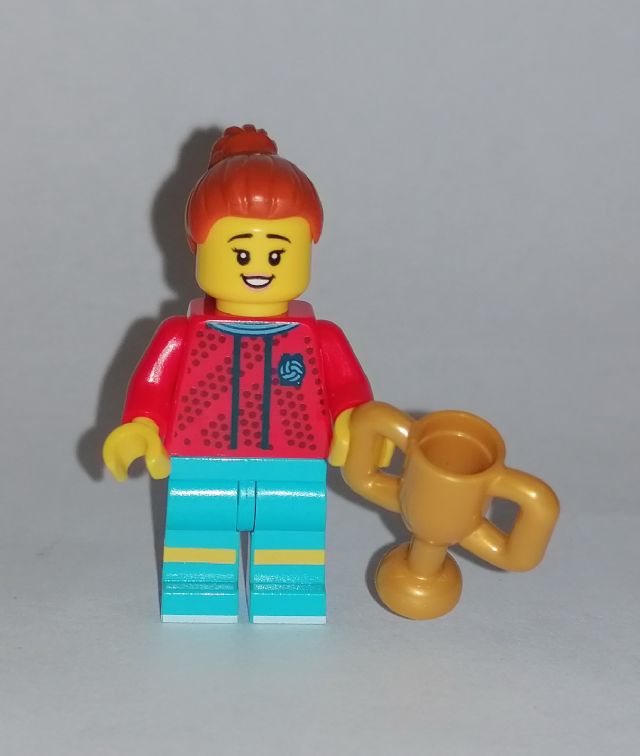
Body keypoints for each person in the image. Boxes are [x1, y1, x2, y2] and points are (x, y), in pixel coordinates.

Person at [103, 125, 381, 624]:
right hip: (200, 463)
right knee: (198, 549)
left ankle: (287, 599)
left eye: (277, 253)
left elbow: (348, 391)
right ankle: (199, 596)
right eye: (240, 252)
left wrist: (354, 425)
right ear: (198, 248)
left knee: (291, 554)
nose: (259, 267)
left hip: (294, 465)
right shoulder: (181, 335)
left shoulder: (321, 338)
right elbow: (152, 385)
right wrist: (142, 426)